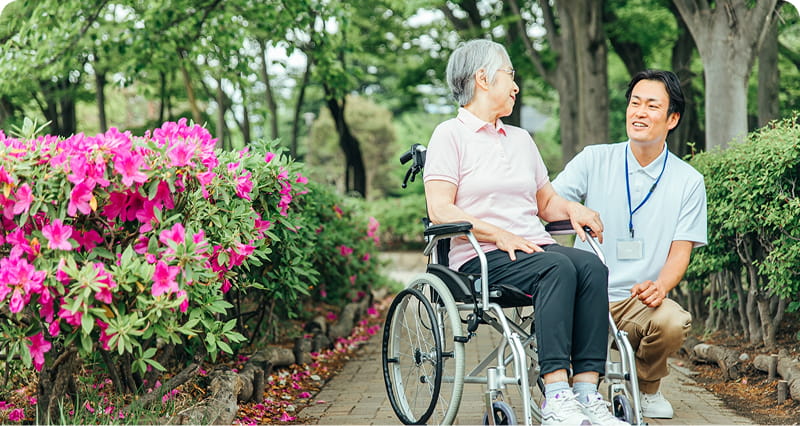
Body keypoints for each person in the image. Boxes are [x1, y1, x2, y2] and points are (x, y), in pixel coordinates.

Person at [423, 39, 628, 426]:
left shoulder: (520, 139)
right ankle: (556, 396)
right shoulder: (449, 135)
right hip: (480, 255)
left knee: (591, 268)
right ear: (483, 78)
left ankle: (586, 393)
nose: (516, 86)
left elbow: (546, 204)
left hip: (534, 247)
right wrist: (497, 234)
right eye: (510, 75)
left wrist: (573, 209)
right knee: (557, 269)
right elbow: (440, 208)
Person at [552, 69, 707, 419]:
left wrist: (661, 286)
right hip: (585, 293)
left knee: (672, 321)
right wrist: (573, 207)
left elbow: (681, 250)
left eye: (652, 105)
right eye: (635, 103)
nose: (639, 112)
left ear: (673, 118)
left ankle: (646, 386)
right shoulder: (594, 159)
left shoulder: (688, 181)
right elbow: (547, 201)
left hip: (637, 300)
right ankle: (574, 392)